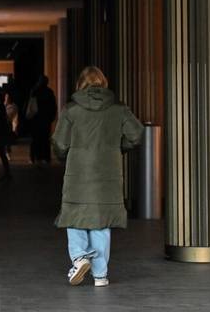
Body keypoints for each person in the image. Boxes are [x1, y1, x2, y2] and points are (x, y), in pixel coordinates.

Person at [52, 66, 144, 288]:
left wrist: (66, 155)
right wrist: (116, 148)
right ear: (103, 83)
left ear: (80, 84)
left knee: (75, 217)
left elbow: (60, 143)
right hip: (108, 174)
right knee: (102, 223)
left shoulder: (71, 110)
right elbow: (137, 134)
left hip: (78, 173)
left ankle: (80, 257)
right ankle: (100, 275)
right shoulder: (119, 109)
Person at [28, 75, 58, 164]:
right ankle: (46, 157)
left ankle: (34, 157)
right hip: (45, 119)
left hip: (35, 118)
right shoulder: (49, 92)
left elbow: (30, 105)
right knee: (45, 139)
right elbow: (53, 106)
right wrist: (52, 117)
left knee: (35, 139)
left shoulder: (34, 91)